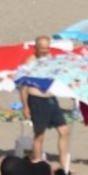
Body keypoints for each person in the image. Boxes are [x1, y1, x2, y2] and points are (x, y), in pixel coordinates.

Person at [20, 36, 70, 167]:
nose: (45, 50)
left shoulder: (51, 58)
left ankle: (64, 165)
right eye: (42, 48)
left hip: (51, 99)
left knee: (64, 130)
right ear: (36, 48)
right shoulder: (30, 62)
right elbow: (23, 87)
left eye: (47, 47)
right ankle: (37, 162)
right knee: (39, 134)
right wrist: (25, 107)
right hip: (36, 100)